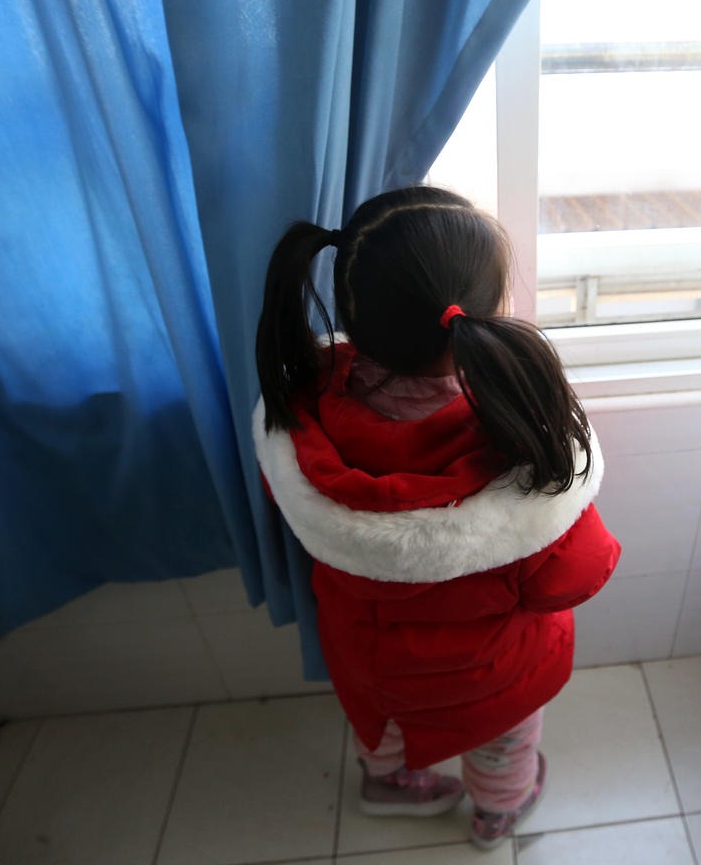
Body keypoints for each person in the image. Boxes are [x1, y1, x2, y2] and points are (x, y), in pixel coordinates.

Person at [253, 186, 621, 850]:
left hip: (369, 660)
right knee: (503, 746)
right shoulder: (519, 441)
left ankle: (387, 785)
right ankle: (495, 816)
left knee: (385, 729)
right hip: (490, 674)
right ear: (482, 316)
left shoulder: (304, 407)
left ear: (356, 311)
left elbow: (289, 504)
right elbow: (572, 579)